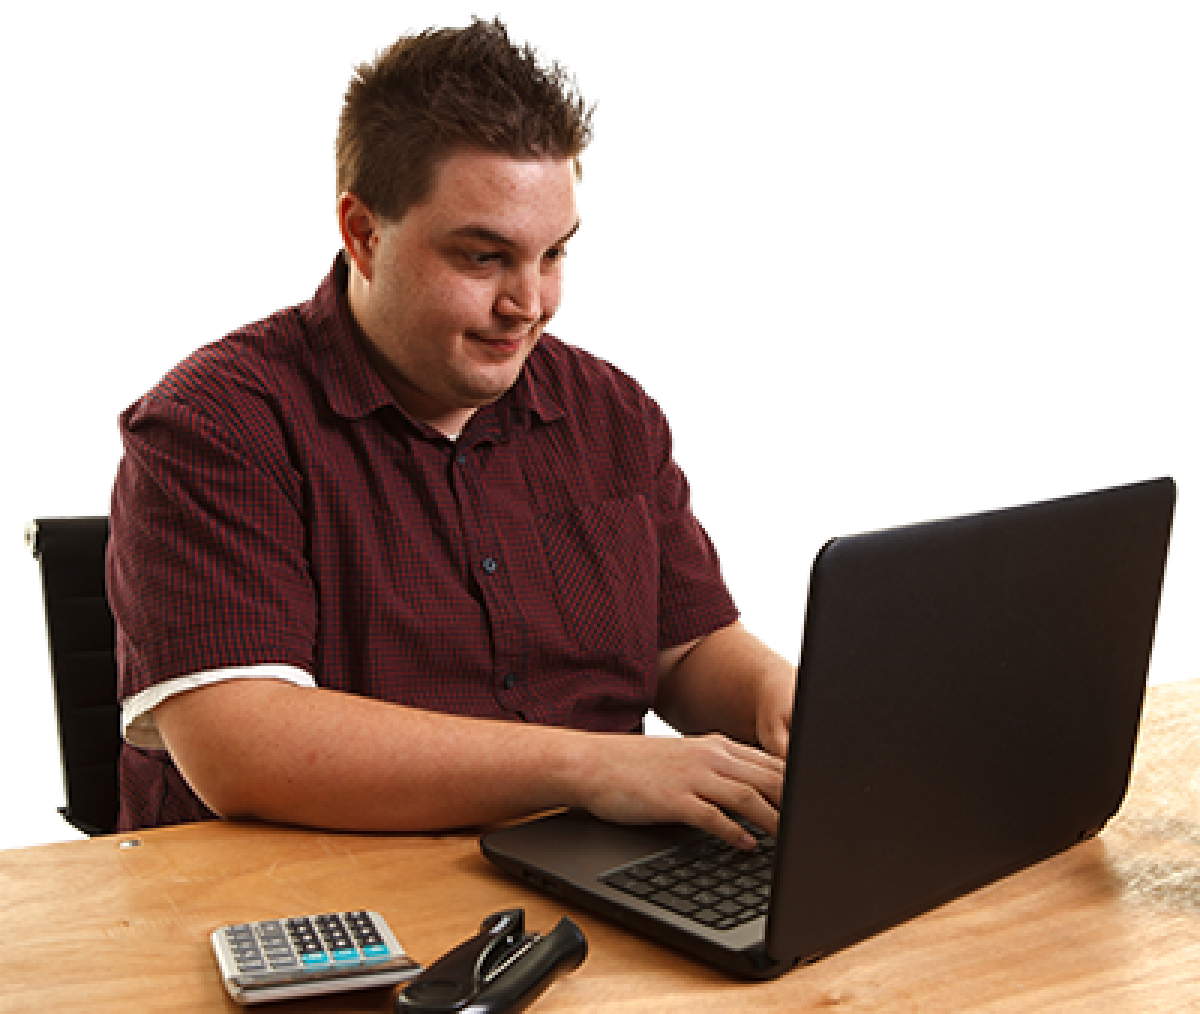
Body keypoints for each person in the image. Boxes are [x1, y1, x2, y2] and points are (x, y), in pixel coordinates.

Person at [107, 14, 797, 850]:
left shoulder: (612, 411)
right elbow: (242, 745)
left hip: (592, 876)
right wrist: (594, 767)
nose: (531, 303)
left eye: (554, 255)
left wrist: (777, 696)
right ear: (362, 234)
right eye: (483, 258)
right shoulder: (217, 423)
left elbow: (683, 654)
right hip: (318, 905)